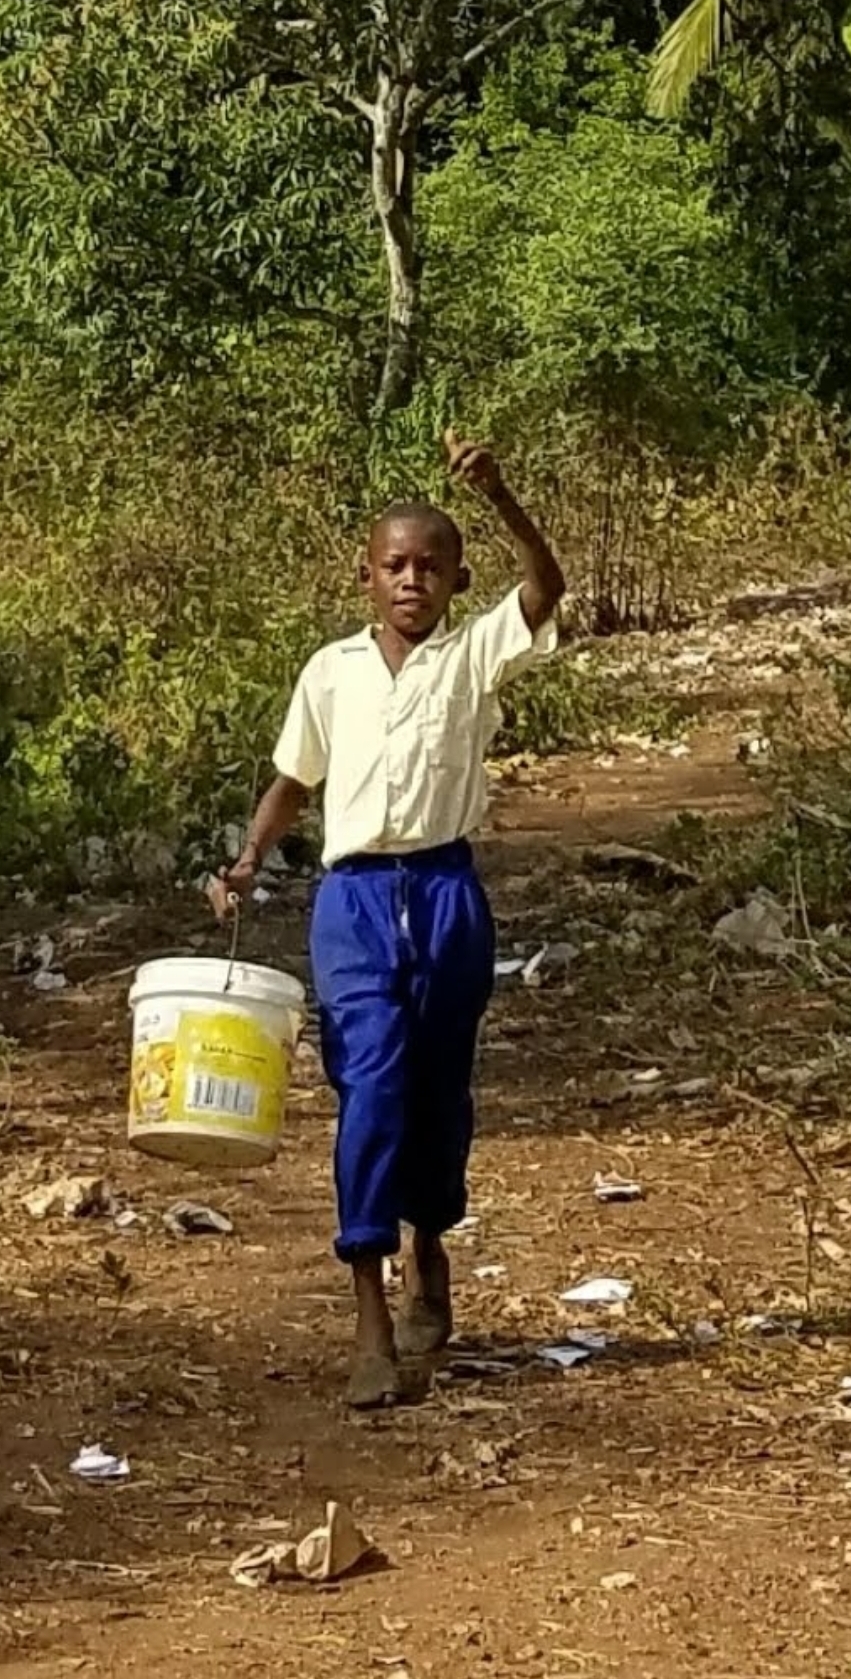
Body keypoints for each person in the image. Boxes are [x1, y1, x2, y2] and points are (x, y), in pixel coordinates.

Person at [212, 430, 565, 1407]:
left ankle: (429, 1240)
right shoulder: (330, 671)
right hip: (353, 901)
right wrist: (246, 860)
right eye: (393, 565)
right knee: (367, 1087)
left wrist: (499, 492)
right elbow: (295, 778)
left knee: (438, 1093)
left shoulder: (472, 655)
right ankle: (369, 1315)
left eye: (430, 567)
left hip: (447, 896)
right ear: (365, 576)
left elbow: (547, 582)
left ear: (455, 579)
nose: (411, 581)